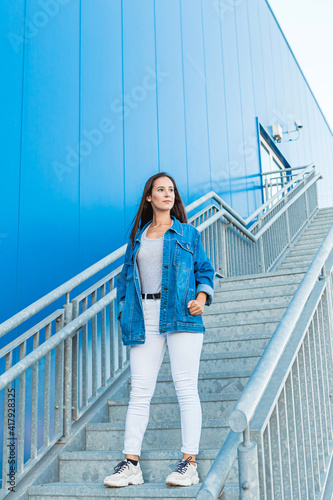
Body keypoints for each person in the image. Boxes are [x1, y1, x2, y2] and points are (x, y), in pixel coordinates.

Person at [103, 172, 215, 488]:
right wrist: (125, 310)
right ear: (149, 197)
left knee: (185, 388)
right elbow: (124, 280)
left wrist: (202, 297)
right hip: (145, 316)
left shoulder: (188, 234)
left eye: (171, 189)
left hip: (181, 314)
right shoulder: (138, 238)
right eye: (160, 189)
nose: (167, 193)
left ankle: (189, 463)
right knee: (140, 391)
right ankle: (131, 464)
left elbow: (205, 270)